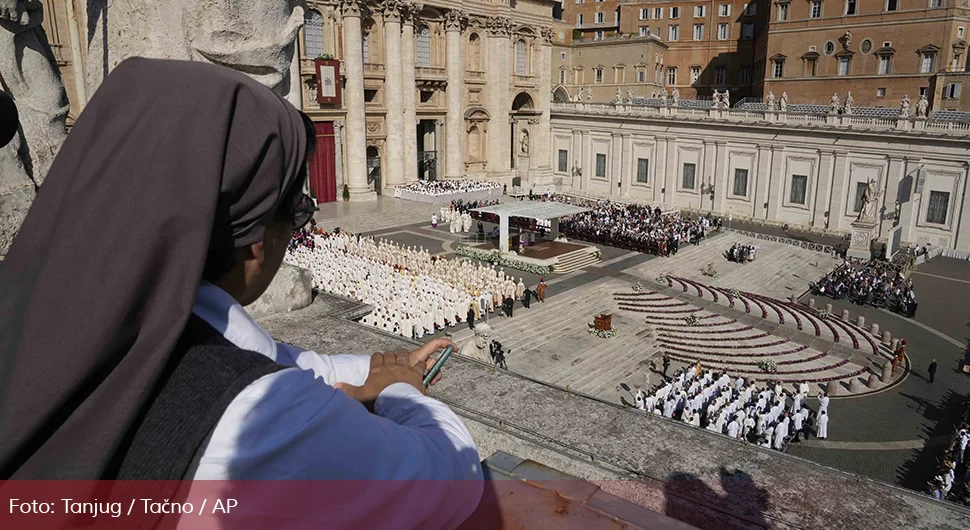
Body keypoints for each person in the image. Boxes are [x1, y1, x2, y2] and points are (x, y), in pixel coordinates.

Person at [0, 58, 483, 526]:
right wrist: (404, 390)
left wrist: (376, 367)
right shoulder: (258, 418)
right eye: (294, 212)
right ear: (254, 238)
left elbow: (259, 356)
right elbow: (452, 476)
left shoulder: (44, 305)